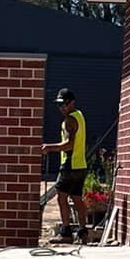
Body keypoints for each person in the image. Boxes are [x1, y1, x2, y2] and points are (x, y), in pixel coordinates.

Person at [43, 87, 88, 244]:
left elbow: (69, 145)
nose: (62, 108)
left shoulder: (69, 120)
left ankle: (66, 232)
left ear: (71, 103)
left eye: (64, 104)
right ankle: (83, 232)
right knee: (76, 198)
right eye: (59, 105)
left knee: (61, 198)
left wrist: (49, 147)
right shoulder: (80, 116)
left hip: (69, 165)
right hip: (81, 165)